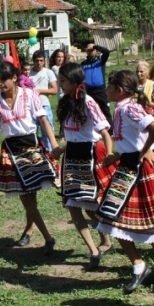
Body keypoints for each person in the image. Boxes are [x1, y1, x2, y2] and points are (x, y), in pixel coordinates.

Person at [96, 70, 154, 293]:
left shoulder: (129, 107)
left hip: (141, 170)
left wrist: (142, 153)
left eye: (110, 86)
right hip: (128, 166)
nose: (107, 90)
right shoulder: (121, 107)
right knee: (113, 217)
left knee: (143, 221)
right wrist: (120, 155)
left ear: (120, 90)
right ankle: (144, 264)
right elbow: (132, 139)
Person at [0, 61, 59, 253]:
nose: (1, 83)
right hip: (12, 153)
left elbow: (43, 120)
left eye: (5, 78)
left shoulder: (30, 95)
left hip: (32, 148)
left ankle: (31, 231)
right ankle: (48, 237)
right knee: (27, 199)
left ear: (14, 78)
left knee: (31, 198)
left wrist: (54, 144)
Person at [50, 62, 115, 270]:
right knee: (72, 205)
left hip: (89, 156)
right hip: (71, 157)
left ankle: (106, 240)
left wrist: (110, 153)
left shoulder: (88, 102)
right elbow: (69, 134)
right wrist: (61, 149)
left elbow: (104, 131)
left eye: (63, 81)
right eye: (59, 80)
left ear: (74, 82)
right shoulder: (65, 102)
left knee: (91, 205)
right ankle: (93, 250)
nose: (60, 85)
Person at [29, 51, 58, 151]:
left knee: (47, 131)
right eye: (37, 60)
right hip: (31, 107)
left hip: (44, 105)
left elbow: (54, 90)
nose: (39, 63)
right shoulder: (28, 73)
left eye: (41, 60)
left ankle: (50, 153)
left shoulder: (48, 72)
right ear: (33, 61)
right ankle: (34, 153)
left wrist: (40, 91)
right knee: (31, 132)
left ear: (44, 61)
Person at [80, 41, 112, 122]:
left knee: (105, 110)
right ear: (86, 51)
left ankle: (111, 131)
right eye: (89, 50)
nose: (91, 51)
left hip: (100, 90)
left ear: (96, 50)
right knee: (89, 111)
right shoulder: (83, 64)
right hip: (88, 91)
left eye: (93, 50)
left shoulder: (101, 60)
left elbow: (107, 51)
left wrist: (96, 46)